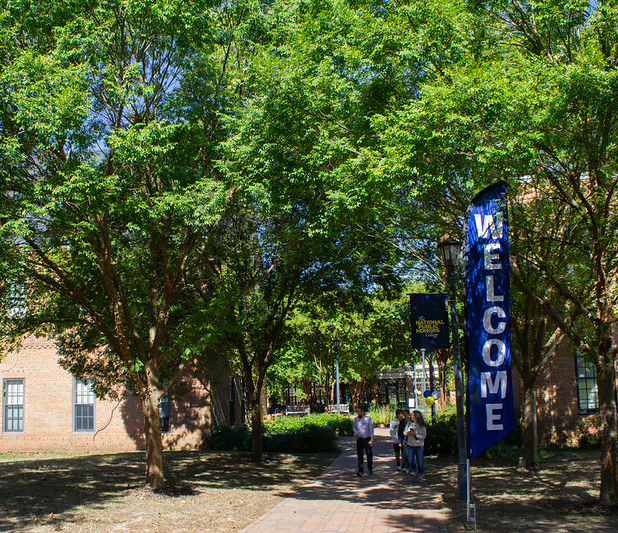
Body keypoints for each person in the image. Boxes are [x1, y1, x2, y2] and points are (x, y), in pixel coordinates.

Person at [404, 409, 427, 480]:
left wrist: (415, 435)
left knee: (420, 461)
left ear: (417, 416)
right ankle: (414, 470)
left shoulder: (422, 426)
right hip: (410, 444)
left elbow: (423, 436)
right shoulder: (409, 424)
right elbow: (404, 432)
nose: (411, 416)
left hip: (419, 445)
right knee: (411, 460)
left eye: (412, 415)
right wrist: (407, 433)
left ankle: (421, 473)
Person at [353, 404, 374, 476]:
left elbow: (371, 429)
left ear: (363, 412)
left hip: (367, 438)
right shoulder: (355, 419)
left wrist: (371, 439)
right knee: (360, 454)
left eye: (359, 411)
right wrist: (356, 435)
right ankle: (360, 470)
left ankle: (370, 468)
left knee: (369, 454)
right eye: (357, 412)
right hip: (360, 439)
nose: (358, 413)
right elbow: (354, 428)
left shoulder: (368, 419)